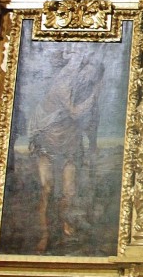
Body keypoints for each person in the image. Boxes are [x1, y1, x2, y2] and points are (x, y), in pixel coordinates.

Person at [28, 51, 104, 252]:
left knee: (69, 191)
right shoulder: (63, 84)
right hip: (48, 137)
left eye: (93, 77)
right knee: (47, 188)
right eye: (87, 74)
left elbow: (92, 122)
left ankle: (67, 229)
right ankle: (44, 234)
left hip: (71, 141)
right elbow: (75, 112)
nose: (88, 79)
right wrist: (95, 94)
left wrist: (93, 145)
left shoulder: (87, 93)